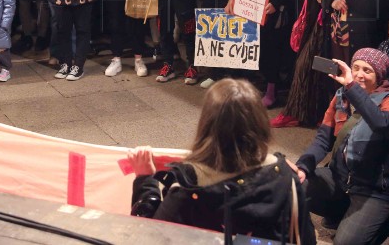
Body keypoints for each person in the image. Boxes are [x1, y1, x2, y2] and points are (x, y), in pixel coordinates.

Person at [128, 79, 316, 244]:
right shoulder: (286, 177)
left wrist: (145, 181)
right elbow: (305, 238)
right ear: (260, 123)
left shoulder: (189, 186)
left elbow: (150, 235)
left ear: (207, 125)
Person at [296, 49, 389, 244]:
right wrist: (302, 166)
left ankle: (384, 222)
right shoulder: (340, 97)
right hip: (340, 178)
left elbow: (382, 123)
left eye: (367, 70)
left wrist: (352, 87)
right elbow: (323, 140)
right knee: (295, 184)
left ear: (379, 75)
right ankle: (341, 211)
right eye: (355, 68)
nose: (359, 74)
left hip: (373, 190)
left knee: (345, 242)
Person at [272, 0, 345, 128]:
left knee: (322, 69)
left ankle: (318, 113)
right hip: (317, 20)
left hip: (332, 26)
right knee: (307, 65)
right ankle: (297, 112)